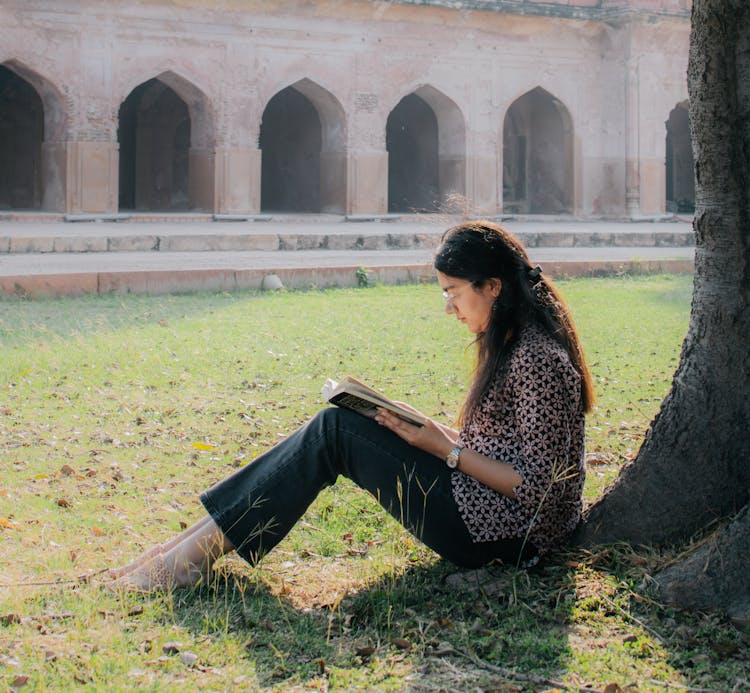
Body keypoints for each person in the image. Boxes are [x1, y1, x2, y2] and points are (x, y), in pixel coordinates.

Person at [108, 221, 594, 591]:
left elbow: (537, 487)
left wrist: (443, 449)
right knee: (342, 424)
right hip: (481, 507)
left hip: (504, 534)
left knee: (334, 431)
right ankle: (182, 550)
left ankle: (188, 557)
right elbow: (503, 449)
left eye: (454, 292)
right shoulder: (510, 343)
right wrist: (427, 431)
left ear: (493, 286)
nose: (448, 307)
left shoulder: (536, 359)